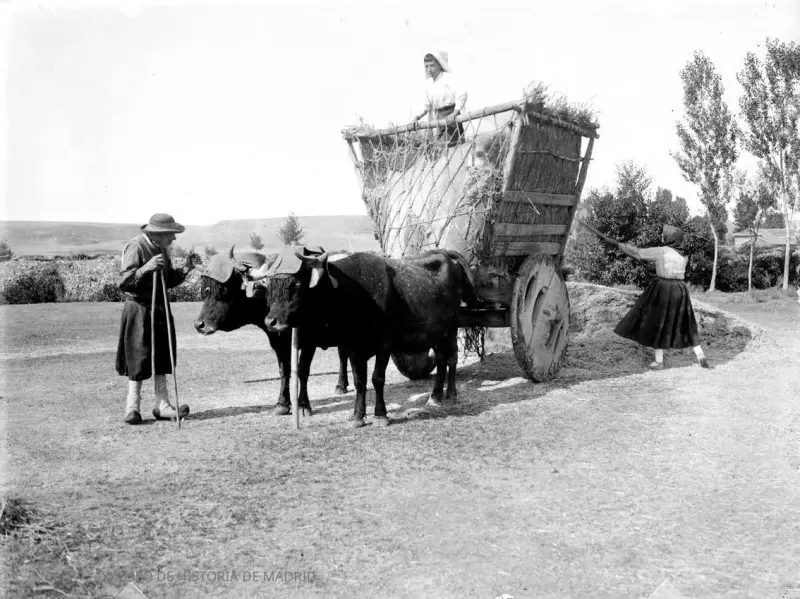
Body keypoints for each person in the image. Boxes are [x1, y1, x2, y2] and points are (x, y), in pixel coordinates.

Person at [577, 218, 710, 370]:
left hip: (664, 289)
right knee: (687, 323)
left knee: (657, 322)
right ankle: (700, 355)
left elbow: (637, 252)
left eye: (664, 235)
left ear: (670, 238)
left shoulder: (662, 251)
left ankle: (659, 362)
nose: (662, 237)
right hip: (680, 289)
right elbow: (673, 269)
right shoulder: (684, 255)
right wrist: (655, 269)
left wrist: (616, 244)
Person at [116, 213, 199, 424]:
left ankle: (163, 406)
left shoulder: (162, 250)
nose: (174, 239)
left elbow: (168, 279)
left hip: (159, 308)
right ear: (158, 234)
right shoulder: (135, 247)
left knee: (162, 356)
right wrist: (145, 268)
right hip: (140, 309)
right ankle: (132, 408)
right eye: (171, 234)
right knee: (138, 356)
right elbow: (123, 283)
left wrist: (187, 268)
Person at [411, 50, 468, 146]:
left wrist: (455, 112)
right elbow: (426, 105)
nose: (429, 69)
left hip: (452, 118)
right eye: (426, 66)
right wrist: (416, 117)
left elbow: (462, 93)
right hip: (438, 120)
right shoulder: (428, 84)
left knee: (448, 147)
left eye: (432, 65)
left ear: (440, 65)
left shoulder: (448, 78)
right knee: (436, 148)